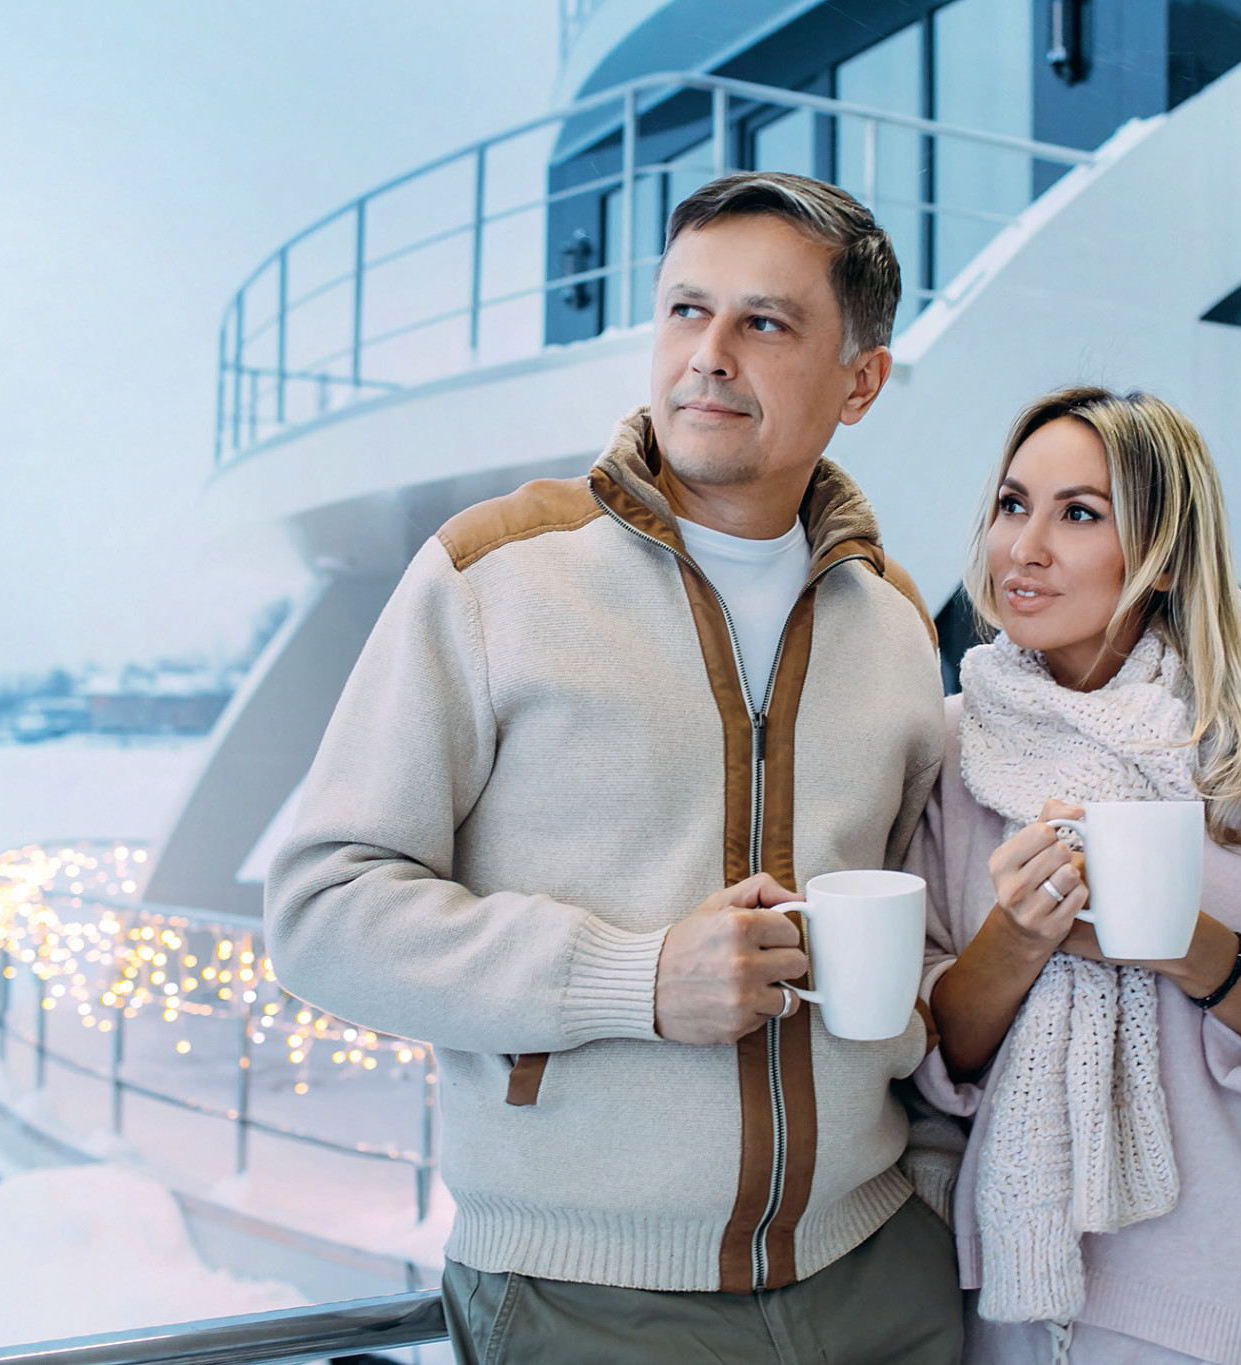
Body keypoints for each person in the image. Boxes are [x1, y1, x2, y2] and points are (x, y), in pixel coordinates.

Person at [264, 172, 960, 1363]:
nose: (708, 354)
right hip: (585, 1299)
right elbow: (321, 912)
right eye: (686, 309)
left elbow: (918, 933)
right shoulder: (493, 576)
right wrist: (630, 980)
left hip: (879, 1274)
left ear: (860, 381)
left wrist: (934, 1195)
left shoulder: (893, 618)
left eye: (764, 321)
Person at [906, 386, 1241, 1364]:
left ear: (1167, 554)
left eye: (1078, 514)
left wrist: (1187, 947)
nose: (1025, 547)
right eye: (1012, 504)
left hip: (1208, 1322)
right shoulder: (956, 741)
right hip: (1001, 1308)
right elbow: (930, 1058)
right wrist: (1016, 938)